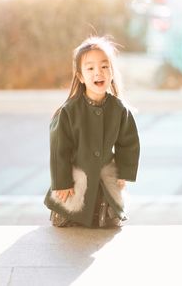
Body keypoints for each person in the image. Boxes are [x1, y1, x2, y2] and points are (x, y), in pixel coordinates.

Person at [44, 35, 140, 228]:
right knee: (72, 211)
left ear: (112, 72)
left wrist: (123, 173)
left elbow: (128, 143)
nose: (99, 72)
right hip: (76, 176)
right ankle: (68, 212)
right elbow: (59, 150)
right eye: (90, 68)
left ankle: (104, 211)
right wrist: (62, 182)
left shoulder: (119, 110)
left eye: (105, 67)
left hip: (105, 172)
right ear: (80, 76)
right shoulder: (68, 112)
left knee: (108, 218)